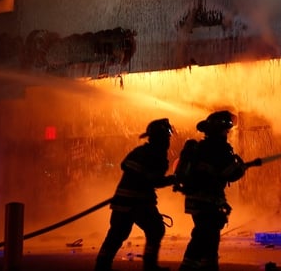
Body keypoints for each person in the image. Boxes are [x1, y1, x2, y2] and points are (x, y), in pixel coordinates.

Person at [173, 110, 261, 271]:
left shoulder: (201, 147)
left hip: (196, 201)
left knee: (209, 239)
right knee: (203, 236)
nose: (227, 133)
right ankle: (187, 268)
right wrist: (240, 168)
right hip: (208, 201)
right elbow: (229, 174)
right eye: (226, 129)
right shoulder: (220, 149)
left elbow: (214, 173)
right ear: (219, 129)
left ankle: (209, 267)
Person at [95, 118, 178, 271]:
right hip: (139, 203)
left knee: (116, 235)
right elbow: (154, 180)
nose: (168, 140)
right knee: (155, 229)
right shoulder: (157, 156)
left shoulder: (140, 152)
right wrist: (173, 180)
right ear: (160, 137)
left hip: (123, 201)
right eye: (167, 136)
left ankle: (102, 266)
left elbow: (126, 166)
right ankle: (150, 266)